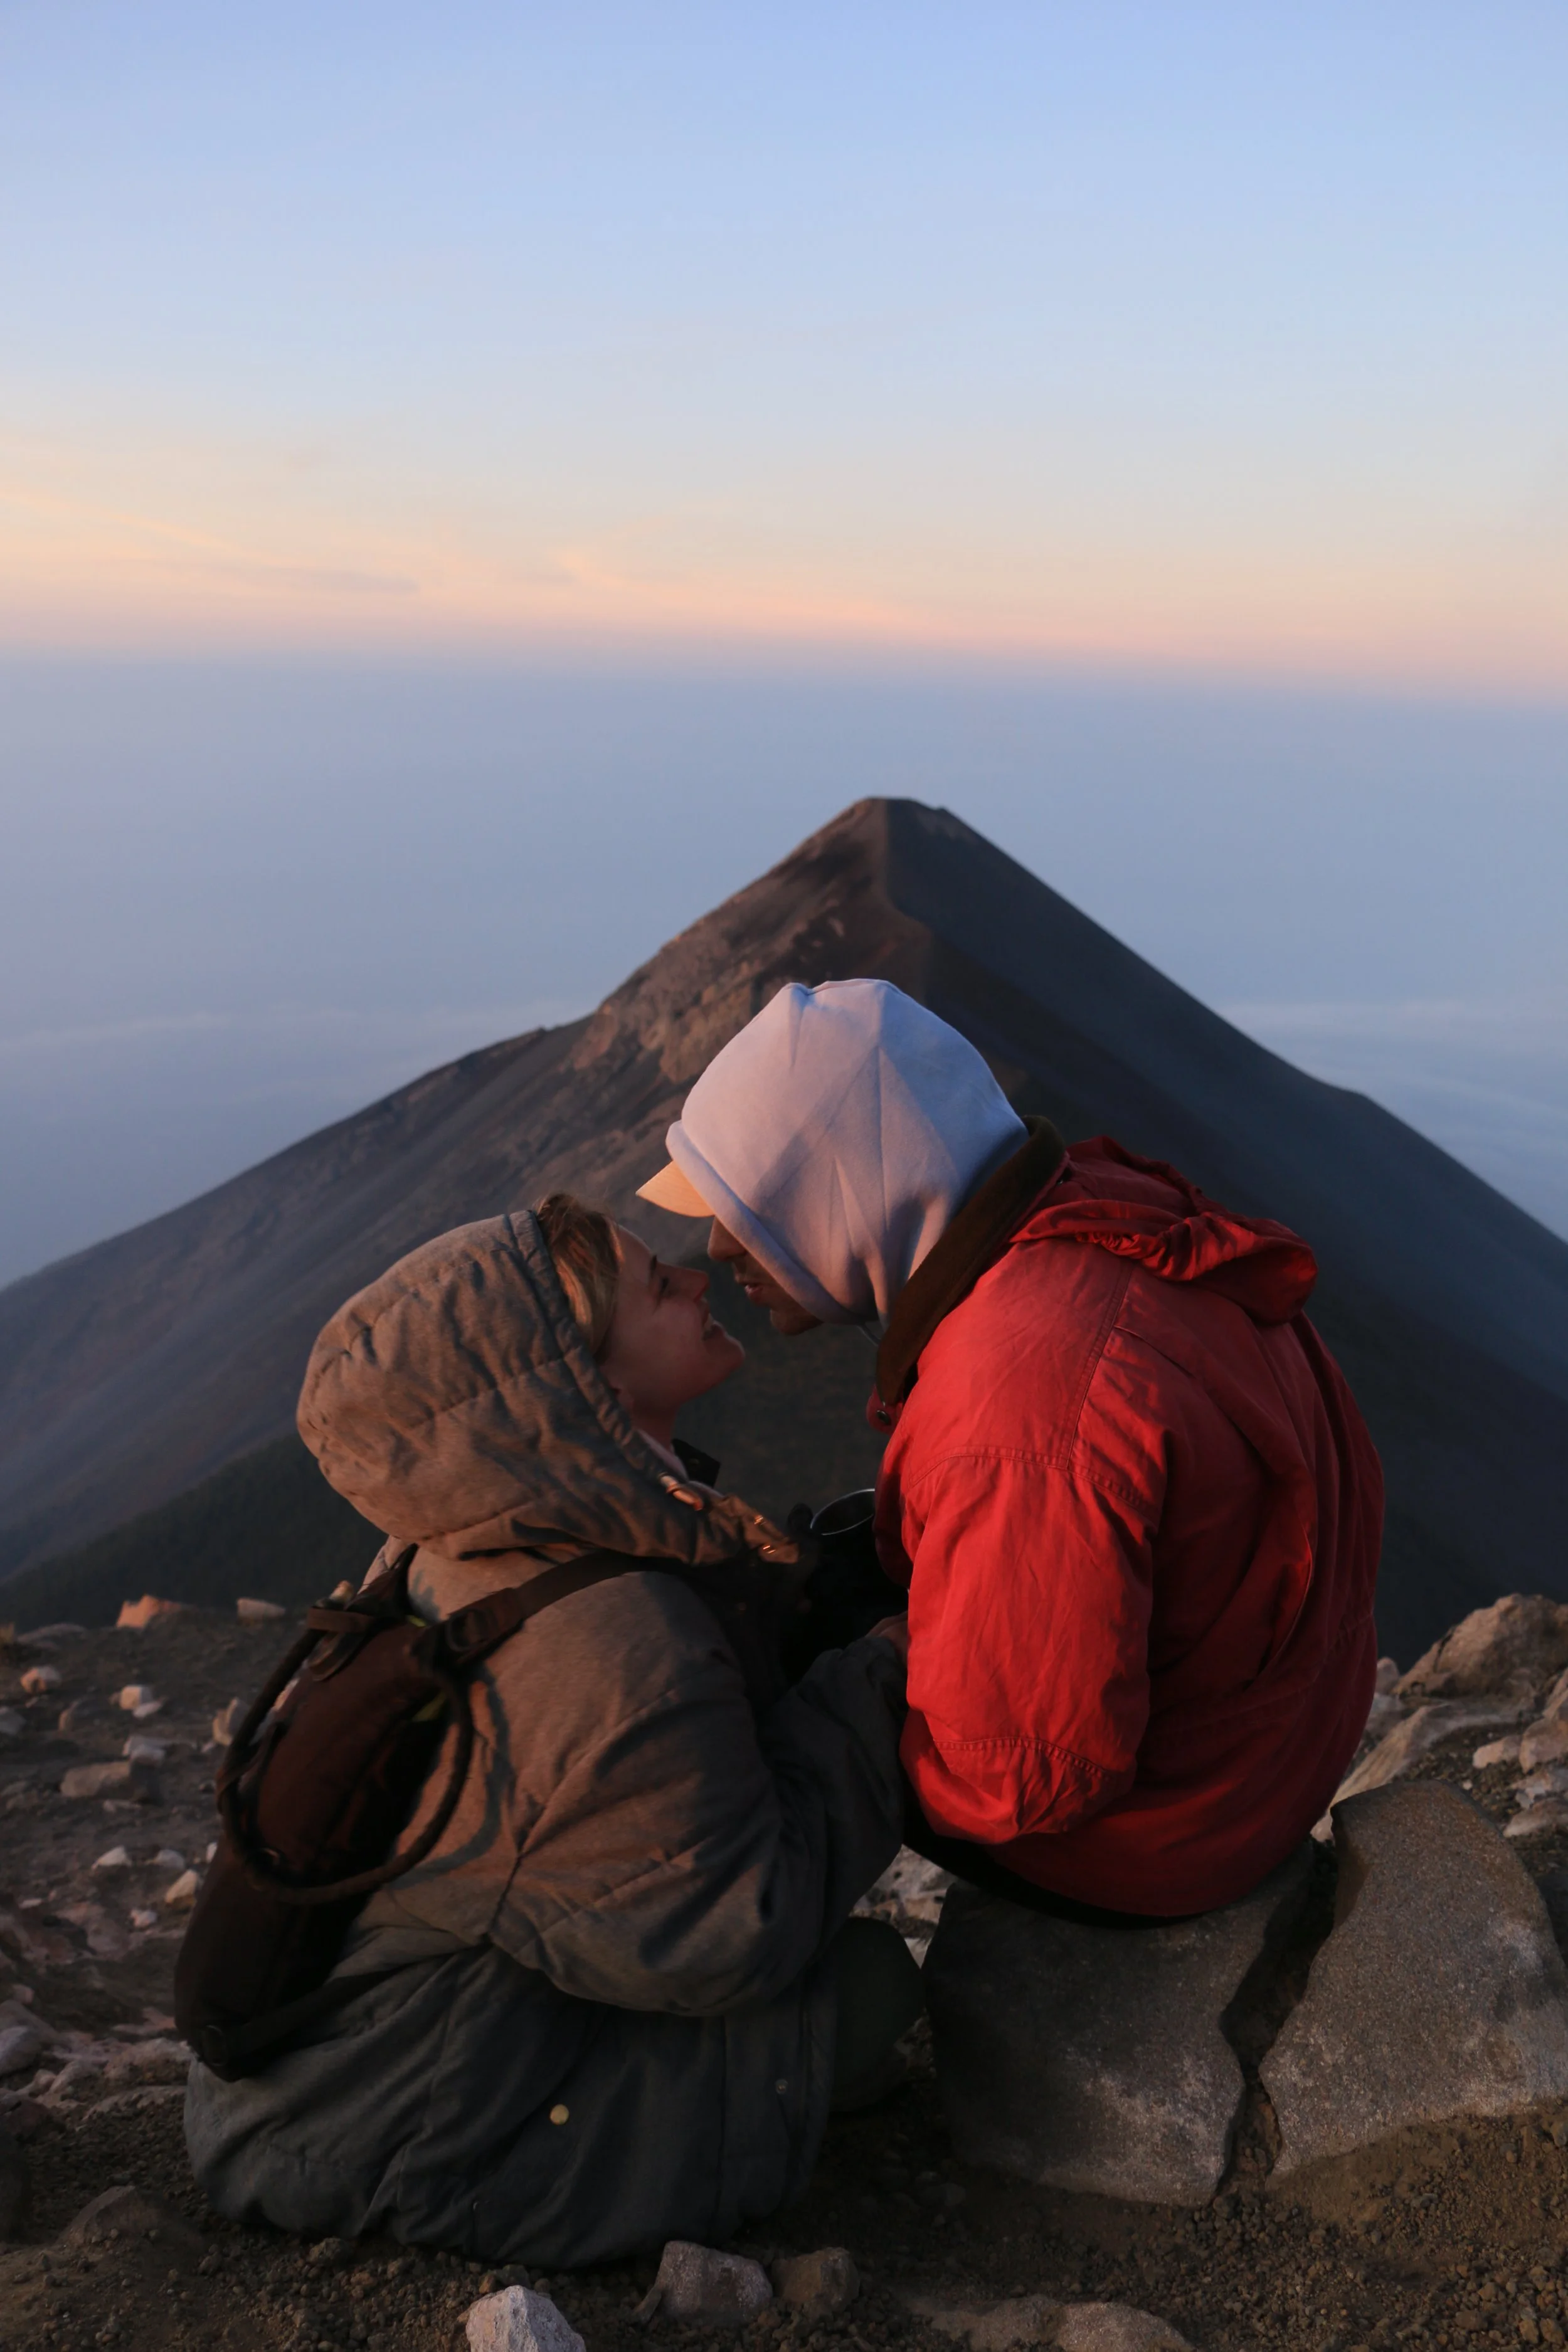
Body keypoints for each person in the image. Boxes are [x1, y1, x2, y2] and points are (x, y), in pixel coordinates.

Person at [185, 1195, 918, 2267]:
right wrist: (889, 1678)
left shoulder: (473, 1539)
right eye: (660, 1287)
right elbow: (736, 1929)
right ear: (591, 1387)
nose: (698, 1276)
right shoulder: (607, 1638)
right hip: (361, 2120)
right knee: (864, 1996)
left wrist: (801, 1610)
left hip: (323, 2063)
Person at [637, 977, 1385, 1923]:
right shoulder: (1097, 1207)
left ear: (851, 1191)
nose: (717, 1247)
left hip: (1189, 1822)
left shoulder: (1018, 1403)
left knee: (765, 1652)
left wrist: (838, 1686)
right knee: (830, 1576)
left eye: (758, 1207)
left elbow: (1020, 1785)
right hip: (1293, 1723)